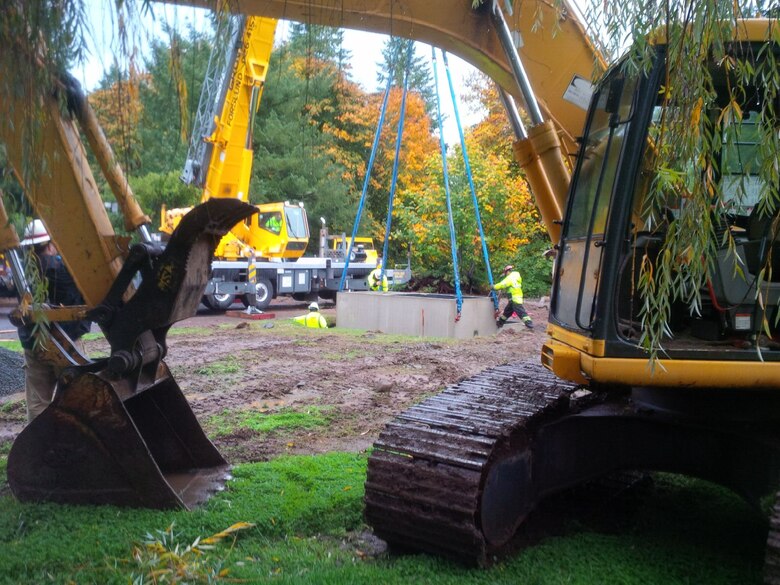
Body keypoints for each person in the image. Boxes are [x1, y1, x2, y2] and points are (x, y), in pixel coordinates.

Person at [17, 219, 91, 422]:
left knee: (38, 403)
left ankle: (41, 447)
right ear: (50, 244)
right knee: (76, 399)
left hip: (34, 346)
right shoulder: (64, 270)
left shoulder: (21, 274)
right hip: (66, 345)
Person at [493, 264, 534, 329]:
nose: (505, 274)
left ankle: (530, 324)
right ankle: (500, 323)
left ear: (507, 271)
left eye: (505, 273)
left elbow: (503, 284)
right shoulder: (515, 277)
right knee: (506, 313)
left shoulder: (511, 277)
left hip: (515, 299)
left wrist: (494, 287)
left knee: (521, 312)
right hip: (513, 300)